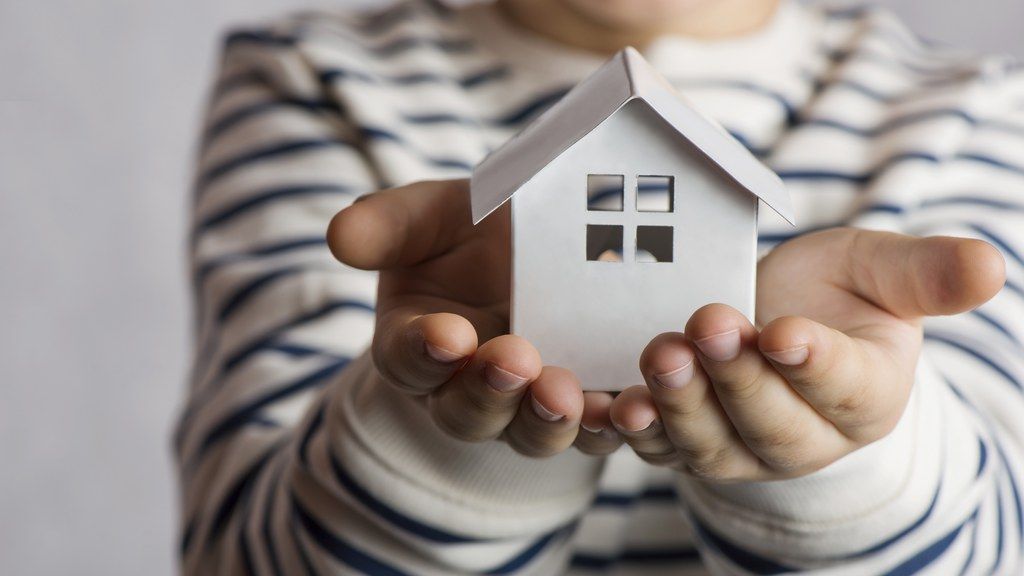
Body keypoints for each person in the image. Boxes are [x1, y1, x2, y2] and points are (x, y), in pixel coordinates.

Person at [175, 0, 1024, 573]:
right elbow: (241, 556)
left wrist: (845, 457)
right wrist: (443, 437)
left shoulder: (977, 115)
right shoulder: (313, 80)